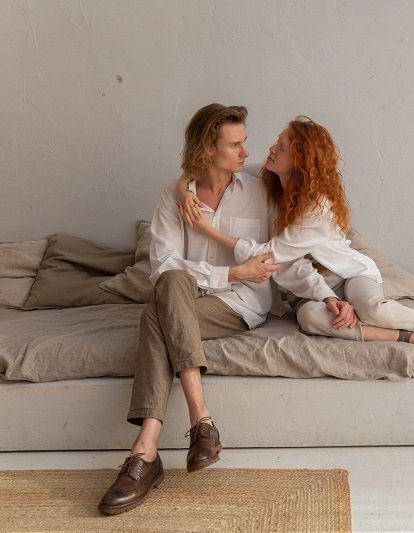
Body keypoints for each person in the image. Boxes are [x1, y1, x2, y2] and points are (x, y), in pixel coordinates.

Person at [174, 116, 414, 377]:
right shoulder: (268, 179)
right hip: (309, 288)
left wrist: (207, 230)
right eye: (277, 142)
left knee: (371, 309)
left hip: (348, 275)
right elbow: (206, 168)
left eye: (281, 147)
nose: (271, 148)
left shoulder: (316, 207)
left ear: (299, 159)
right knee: (310, 320)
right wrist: (183, 189)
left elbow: (269, 257)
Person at [98, 103, 296, 515]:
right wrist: (230, 271)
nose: (246, 151)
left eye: (244, 142)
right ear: (208, 149)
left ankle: (145, 453)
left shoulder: (260, 187)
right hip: (190, 294)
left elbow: (273, 251)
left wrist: (237, 276)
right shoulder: (174, 198)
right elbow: (163, 267)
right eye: (235, 145)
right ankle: (199, 421)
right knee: (170, 283)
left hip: (238, 302)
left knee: (154, 315)